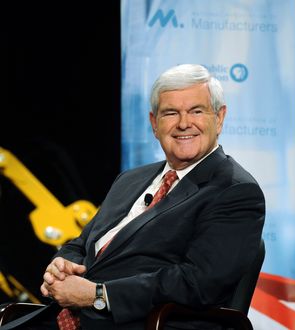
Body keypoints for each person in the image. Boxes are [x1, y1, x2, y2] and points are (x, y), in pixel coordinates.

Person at [2, 64, 265, 329]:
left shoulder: (234, 190)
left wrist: (98, 296)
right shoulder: (130, 180)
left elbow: (198, 282)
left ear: (219, 118)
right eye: (171, 113)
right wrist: (62, 266)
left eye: (196, 111)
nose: (184, 123)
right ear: (154, 123)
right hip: (67, 318)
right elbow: (83, 244)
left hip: (139, 322)